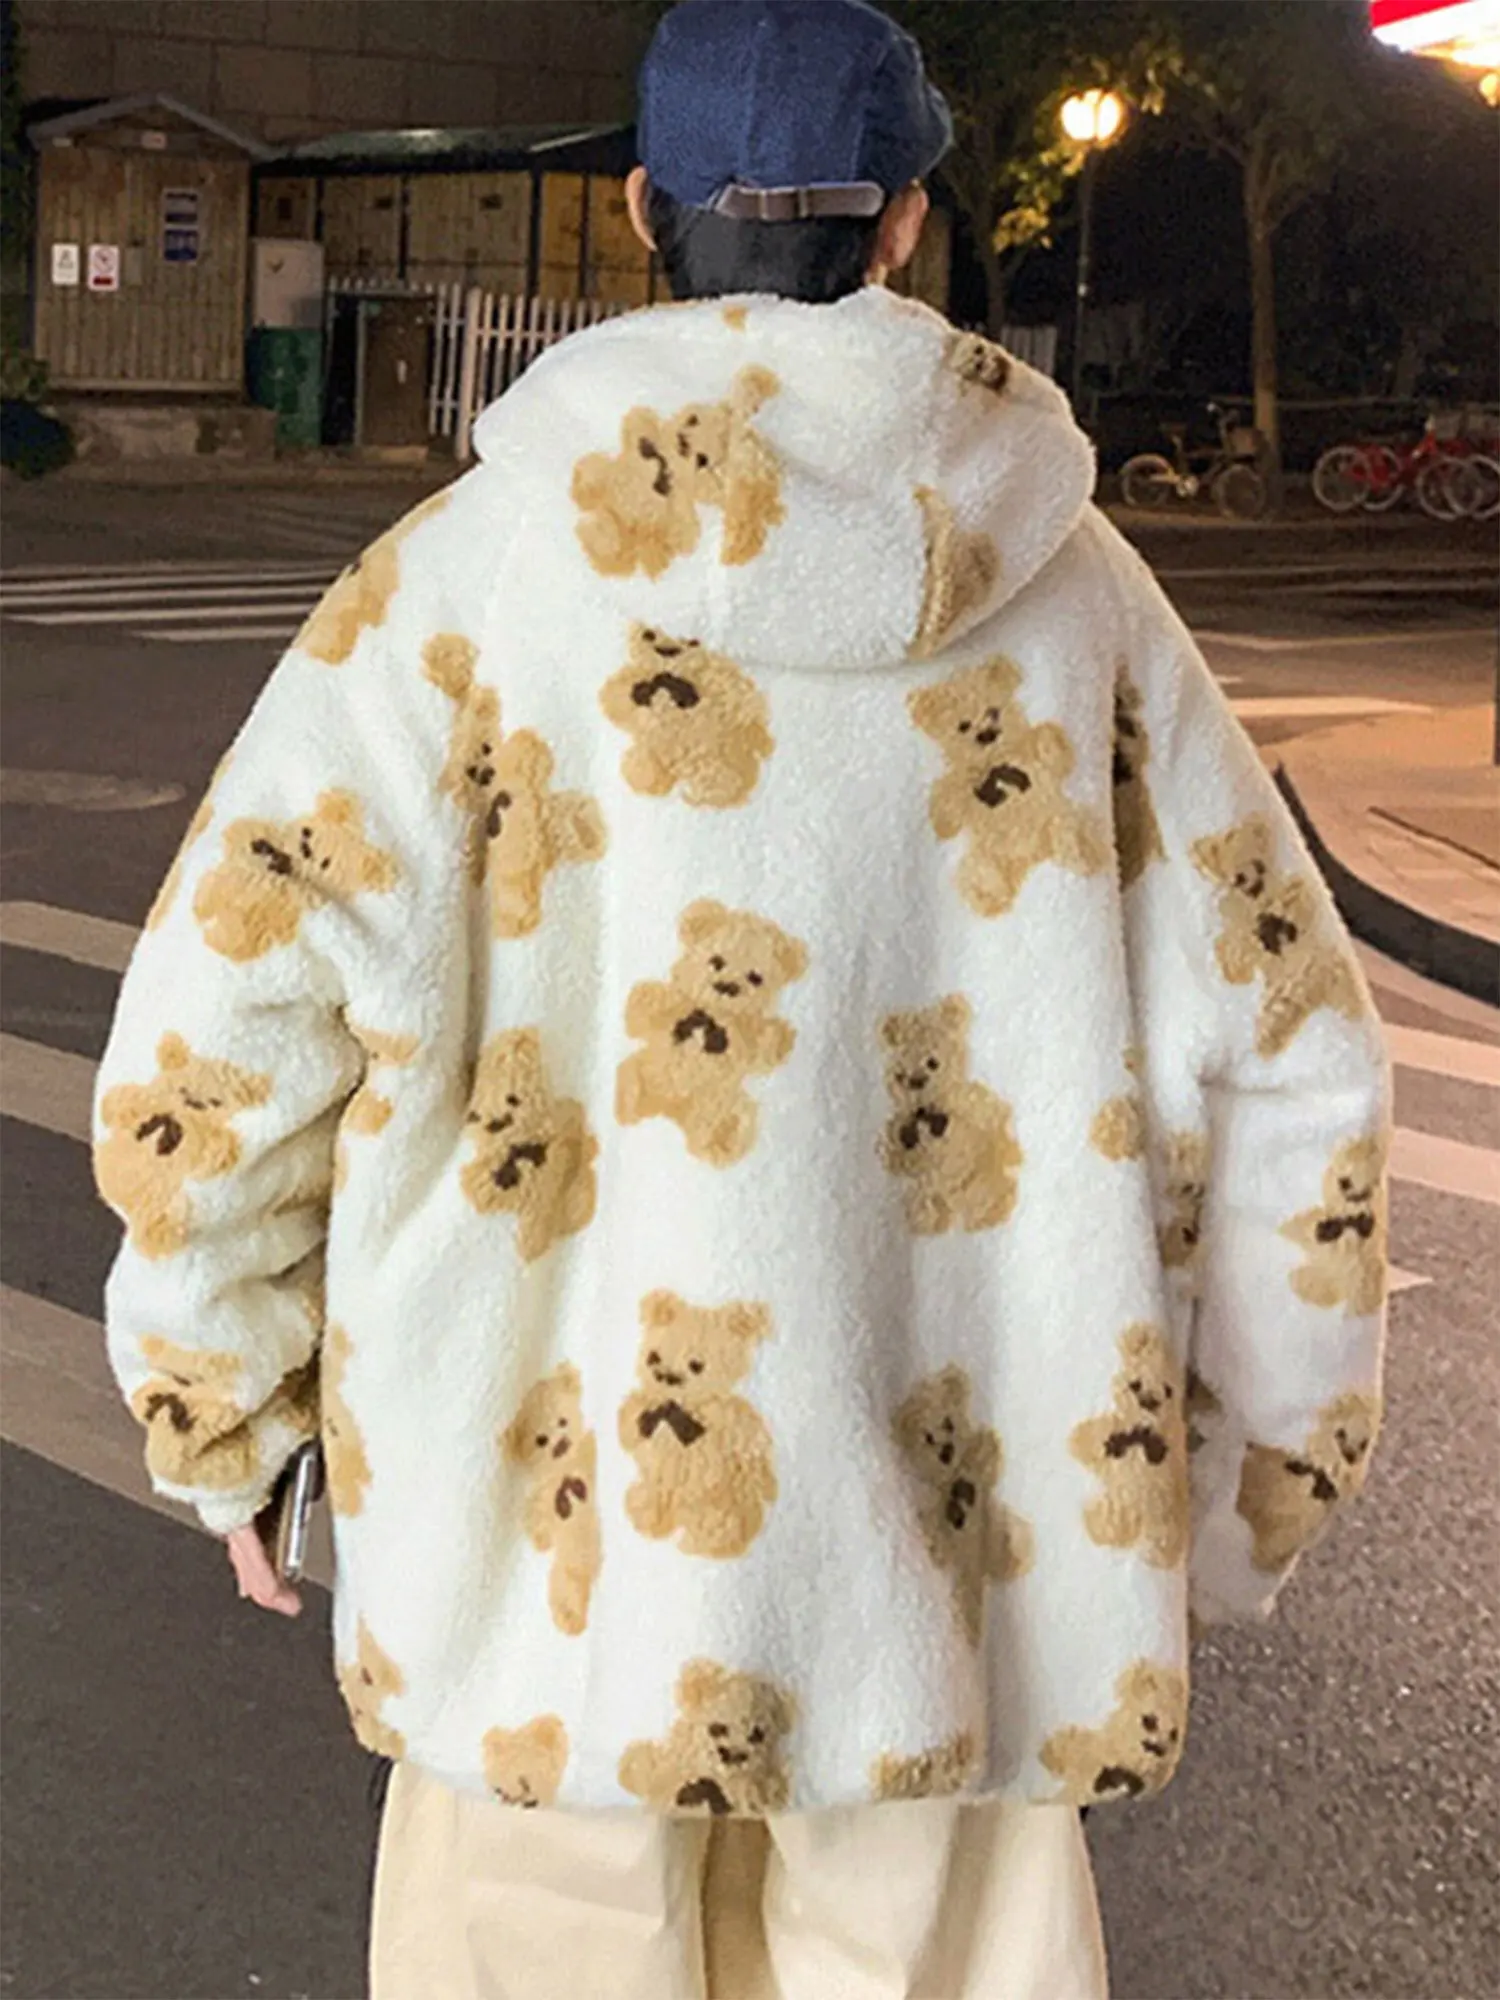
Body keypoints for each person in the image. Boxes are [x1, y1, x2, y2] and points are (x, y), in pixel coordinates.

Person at [91, 3, 1391, 1996]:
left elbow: (226, 1029)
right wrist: (1251, 1482)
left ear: (640, 211)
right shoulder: (1088, 610)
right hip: (961, 1603)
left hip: (544, 1597)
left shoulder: (458, 593)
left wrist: (221, 1412)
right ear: (905, 222)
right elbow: (1296, 1051)